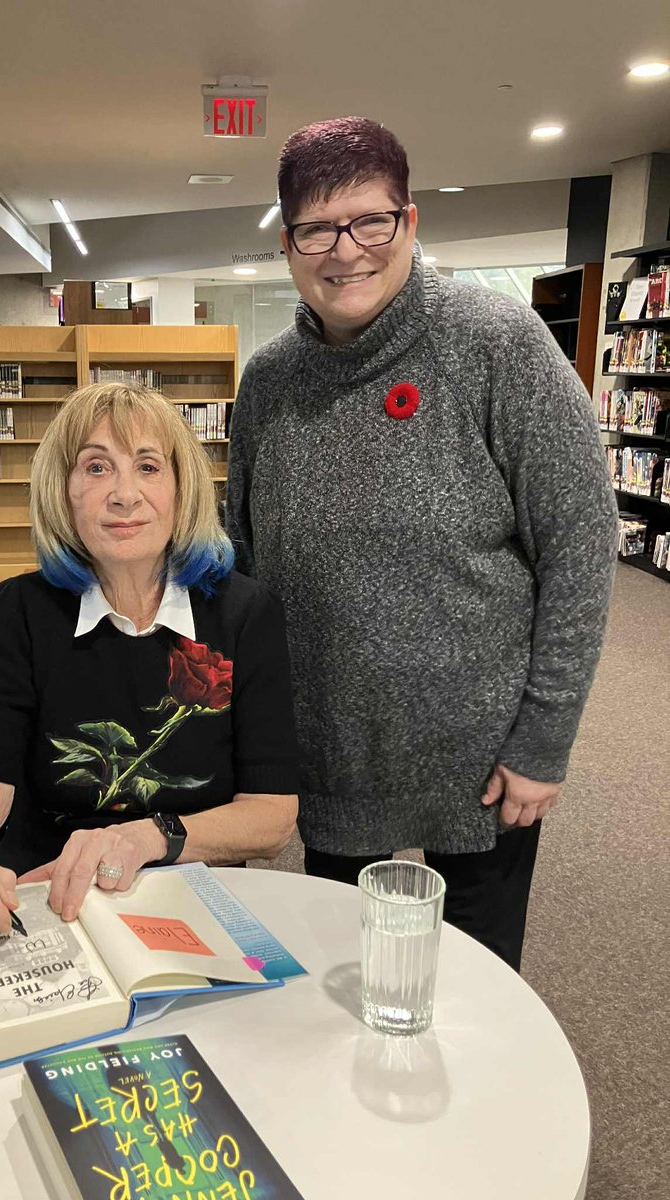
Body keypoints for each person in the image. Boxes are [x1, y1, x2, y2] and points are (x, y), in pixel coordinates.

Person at [226, 116, 618, 971]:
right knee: (334, 981)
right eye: (316, 229)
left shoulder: (498, 344)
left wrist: (543, 742)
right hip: (329, 752)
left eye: (370, 220)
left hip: (483, 759)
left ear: (410, 221)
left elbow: (581, 551)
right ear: (288, 244)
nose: (346, 250)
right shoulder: (266, 384)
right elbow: (244, 562)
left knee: (476, 990)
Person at [0, 383, 299, 946]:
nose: (125, 494)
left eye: (148, 466)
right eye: (96, 468)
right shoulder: (18, 611)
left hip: (189, 898)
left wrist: (154, 836)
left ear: (180, 486)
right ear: (63, 491)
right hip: (41, 900)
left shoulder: (245, 614)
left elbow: (271, 816)